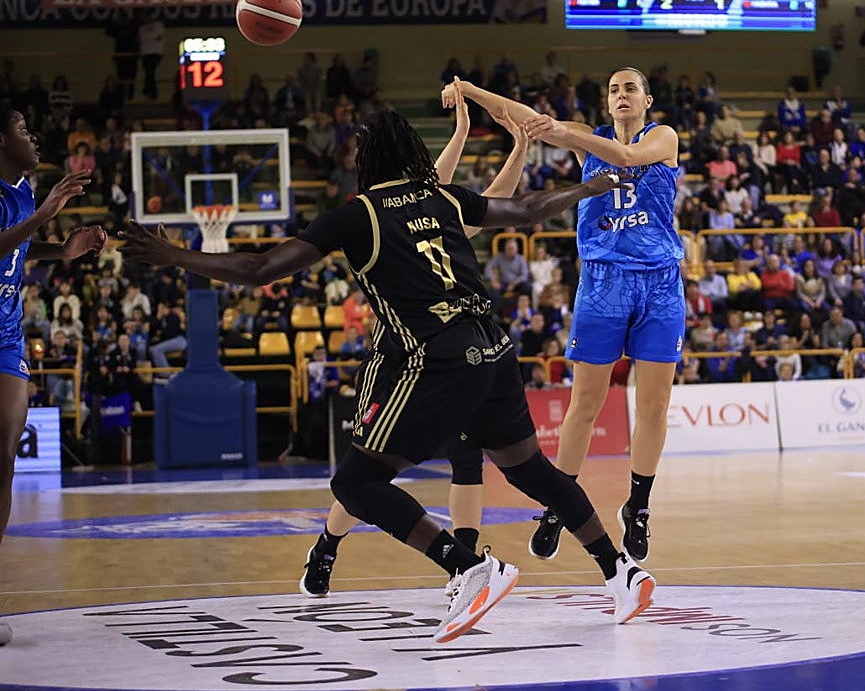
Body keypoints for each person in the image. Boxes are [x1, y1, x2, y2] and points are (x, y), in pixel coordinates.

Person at [121, 107, 654, 645]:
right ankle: (621, 571)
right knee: (530, 469)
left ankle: (466, 566)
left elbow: (261, 270)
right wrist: (593, 185)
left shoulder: (358, 214)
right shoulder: (441, 197)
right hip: (494, 347)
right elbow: (526, 208)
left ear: (368, 158)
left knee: (356, 482)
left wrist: (175, 255)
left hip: (437, 358)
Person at [300, 85, 534, 600]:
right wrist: (464, 131)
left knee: (467, 457)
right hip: (398, 358)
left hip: (458, 352)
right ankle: (326, 545)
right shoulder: (399, 213)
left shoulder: (445, 218)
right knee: (367, 469)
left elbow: (484, 201)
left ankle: (467, 568)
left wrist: (517, 148)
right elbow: (429, 184)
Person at [453, 68, 683, 564]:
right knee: (585, 404)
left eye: (630, 89)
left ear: (647, 99)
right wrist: (473, 93)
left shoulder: (663, 138)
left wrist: (561, 131)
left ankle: (637, 508)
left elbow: (624, 158)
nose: (622, 95)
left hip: (660, 283)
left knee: (655, 406)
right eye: (614, 89)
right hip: (603, 282)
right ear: (607, 101)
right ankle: (561, 502)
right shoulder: (588, 141)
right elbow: (517, 116)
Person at [0, 101, 106, 646]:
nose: (33, 135)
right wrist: (45, 214)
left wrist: (60, 250)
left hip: (6, 337)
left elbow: (13, 255)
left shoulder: (18, 191)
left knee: (3, 462)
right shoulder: (12, 196)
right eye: (21, 128)